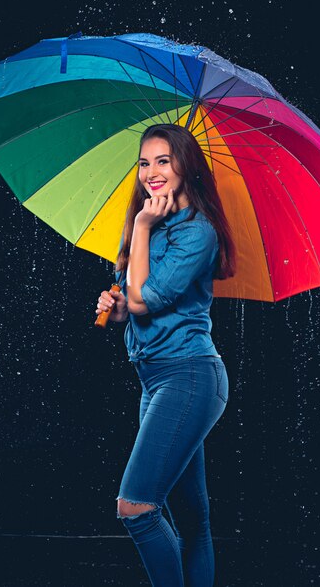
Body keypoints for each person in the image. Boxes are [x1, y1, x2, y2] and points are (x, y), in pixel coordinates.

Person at [95, 123, 236, 586]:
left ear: (185, 166)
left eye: (163, 161)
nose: (151, 172)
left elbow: (144, 300)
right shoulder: (149, 223)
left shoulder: (199, 231)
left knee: (136, 508)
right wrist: (114, 310)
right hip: (153, 380)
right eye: (143, 162)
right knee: (193, 522)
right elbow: (132, 307)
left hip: (190, 377)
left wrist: (140, 226)